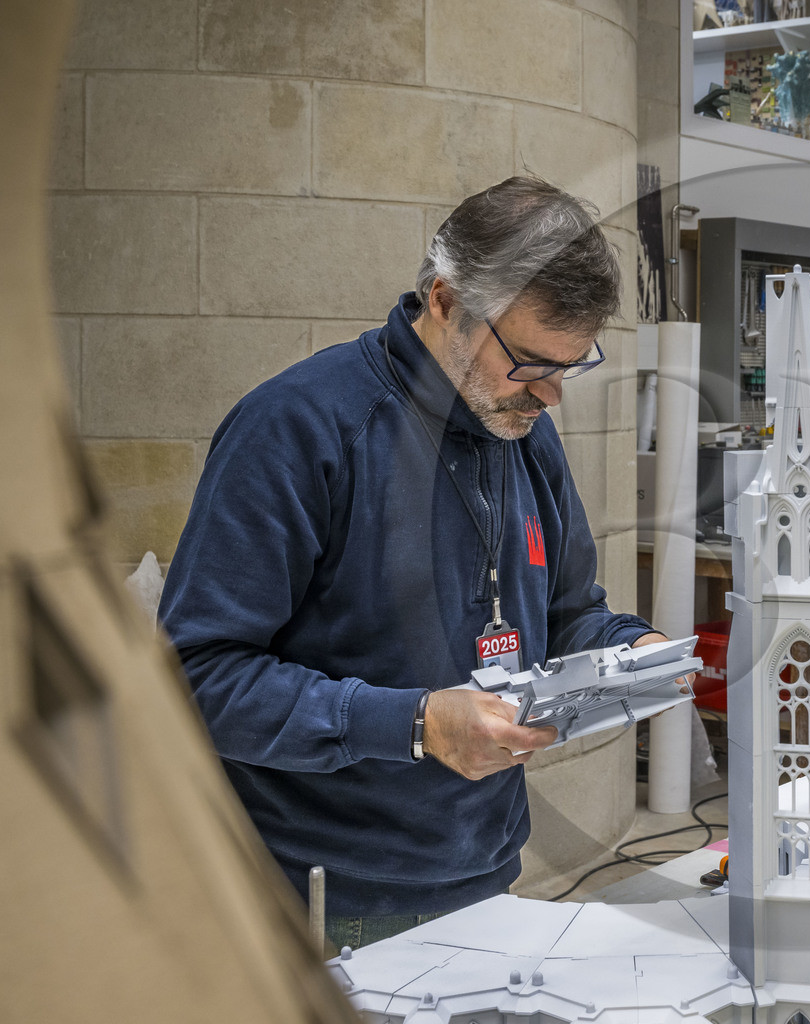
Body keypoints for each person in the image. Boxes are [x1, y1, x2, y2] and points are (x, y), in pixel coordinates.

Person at [159, 176, 674, 947]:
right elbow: (195, 676)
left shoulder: (522, 428)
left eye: (571, 366)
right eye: (532, 364)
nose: (552, 397)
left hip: (488, 876)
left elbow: (569, 614)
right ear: (444, 301)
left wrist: (633, 651)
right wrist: (415, 724)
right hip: (315, 906)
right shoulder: (298, 429)